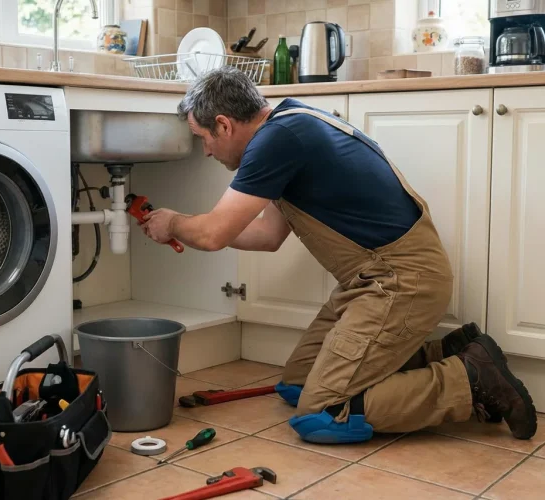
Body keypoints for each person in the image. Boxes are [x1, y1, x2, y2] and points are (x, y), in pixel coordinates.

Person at [141, 66, 537, 443]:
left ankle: (470, 380)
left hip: (399, 281)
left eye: (203, 138)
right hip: (371, 281)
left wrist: (174, 223)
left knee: (325, 412)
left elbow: (213, 234)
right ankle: (449, 350)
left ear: (224, 124)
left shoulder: (277, 140)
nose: (206, 151)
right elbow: (266, 235)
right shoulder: (289, 124)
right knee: (296, 384)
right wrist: (190, 228)